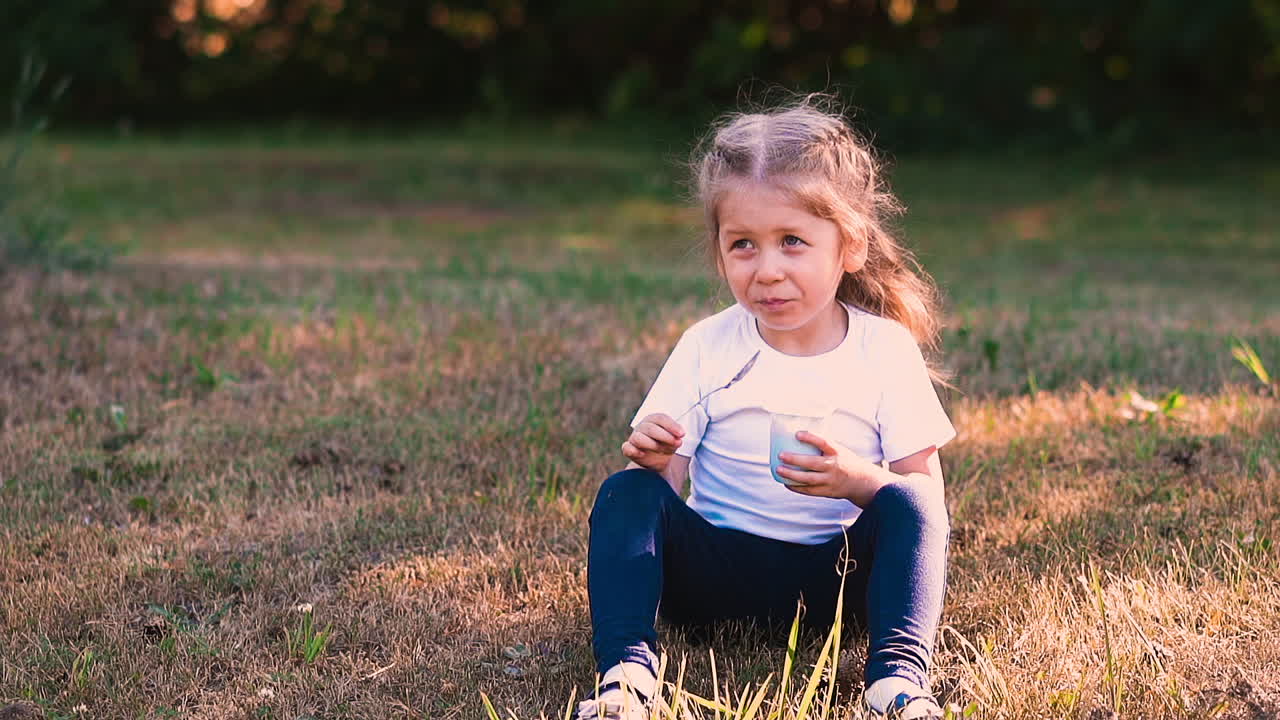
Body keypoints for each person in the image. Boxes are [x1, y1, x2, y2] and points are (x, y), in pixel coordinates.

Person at [577, 94, 957, 720]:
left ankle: (897, 682)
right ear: (719, 250)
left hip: (840, 581)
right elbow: (666, 488)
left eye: (792, 241)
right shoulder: (707, 345)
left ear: (850, 246)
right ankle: (627, 676)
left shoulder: (881, 348)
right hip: (715, 578)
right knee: (625, 494)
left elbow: (922, 493)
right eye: (744, 245)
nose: (768, 269)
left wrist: (858, 482)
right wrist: (658, 457)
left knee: (912, 505)